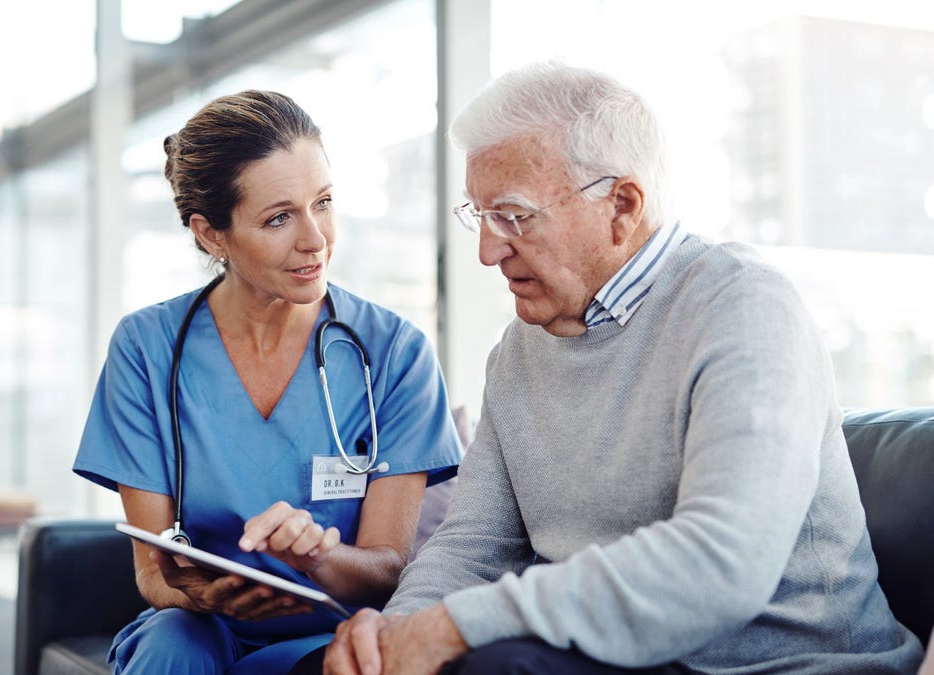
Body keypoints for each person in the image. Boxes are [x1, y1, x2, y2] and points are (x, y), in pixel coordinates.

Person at [321, 62, 925, 674]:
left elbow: (723, 562)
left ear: (622, 205)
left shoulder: (744, 305)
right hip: (609, 660)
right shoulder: (518, 351)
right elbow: (473, 546)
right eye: (479, 216)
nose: (487, 250)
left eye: (513, 215)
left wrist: (458, 626)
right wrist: (395, 636)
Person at [71, 89, 462, 675]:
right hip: (200, 626)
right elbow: (153, 573)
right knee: (171, 646)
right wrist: (194, 593)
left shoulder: (394, 353)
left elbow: (387, 567)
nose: (315, 239)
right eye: (279, 218)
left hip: (330, 629)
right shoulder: (147, 348)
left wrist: (318, 560)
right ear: (211, 234)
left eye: (323, 203)